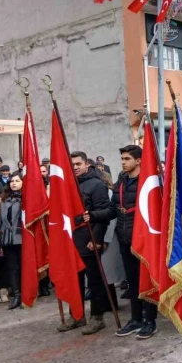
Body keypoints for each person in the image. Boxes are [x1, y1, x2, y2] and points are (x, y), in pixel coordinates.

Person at [59, 151, 116, 335]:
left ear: (87, 164)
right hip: (71, 241)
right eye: (72, 164)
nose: (75, 167)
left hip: (89, 239)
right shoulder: (66, 184)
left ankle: (97, 317)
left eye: (78, 164)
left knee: (94, 281)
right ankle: (76, 315)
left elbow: (104, 214)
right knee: (74, 280)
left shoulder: (96, 185)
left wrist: (96, 239)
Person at [109, 145, 158, 340]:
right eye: (122, 158)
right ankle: (136, 318)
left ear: (138, 160)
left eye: (127, 158)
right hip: (124, 238)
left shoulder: (148, 181)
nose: (123, 162)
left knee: (146, 279)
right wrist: (92, 215)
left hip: (144, 239)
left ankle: (150, 321)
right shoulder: (121, 180)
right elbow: (113, 208)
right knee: (132, 281)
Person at [0, 174, 23, 310]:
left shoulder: (26, 199)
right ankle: (17, 296)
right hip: (8, 239)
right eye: (12, 181)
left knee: (24, 267)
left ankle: (26, 294)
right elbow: (0, 221)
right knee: (12, 268)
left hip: (22, 238)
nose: (14, 183)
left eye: (17, 181)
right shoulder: (4, 200)